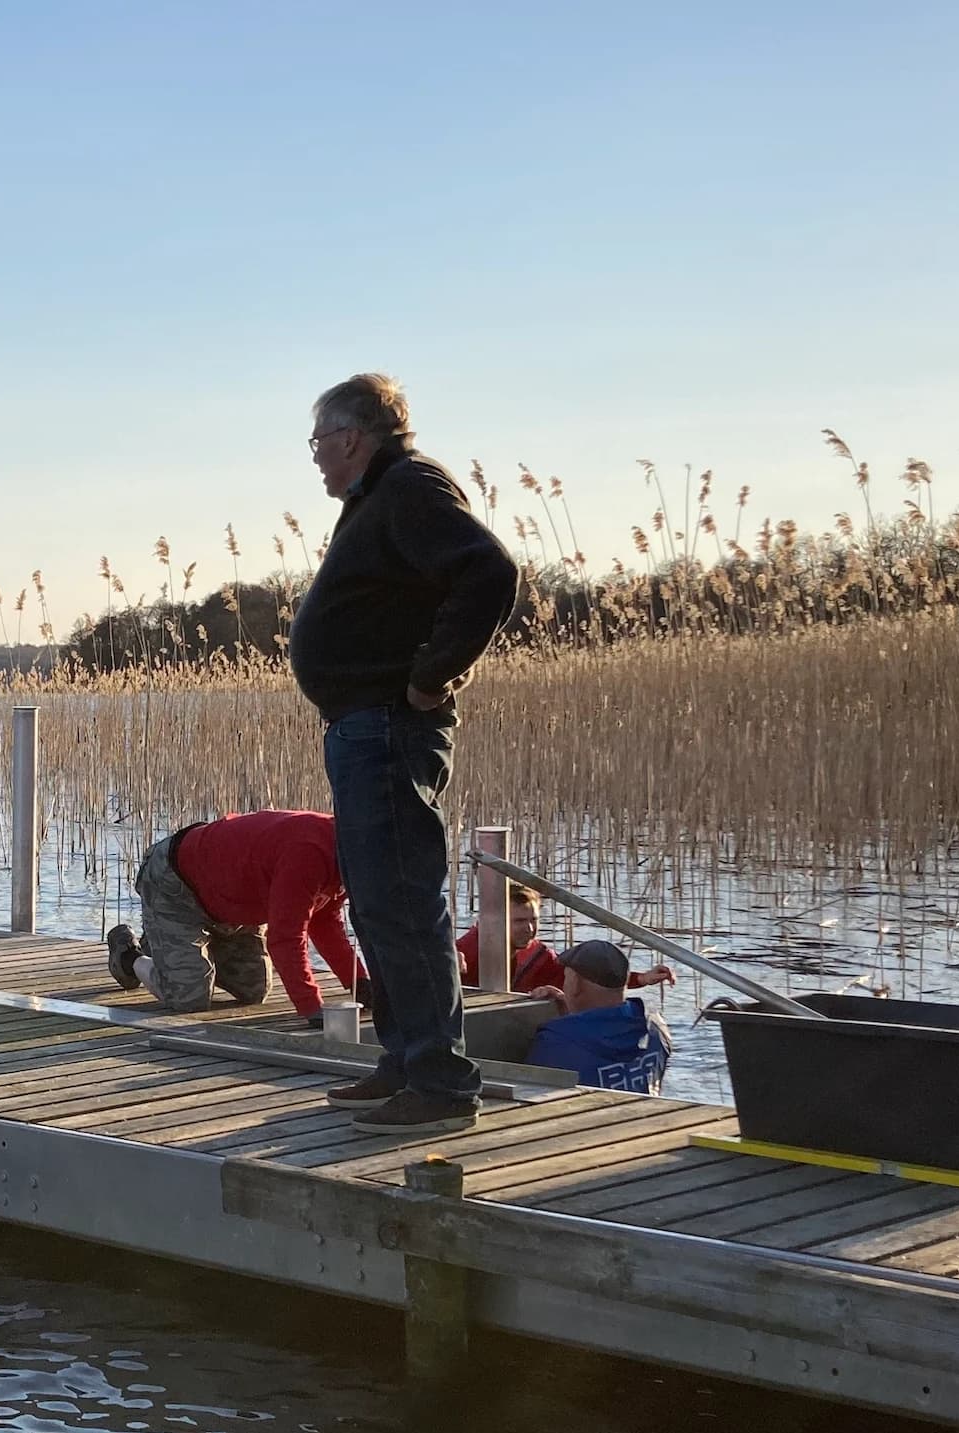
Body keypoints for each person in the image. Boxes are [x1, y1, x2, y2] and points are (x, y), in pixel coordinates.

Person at [289, 374, 520, 1133]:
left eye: (319, 441)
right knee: (377, 897)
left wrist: (430, 677)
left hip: (389, 725)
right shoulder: (379, 498)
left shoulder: (409, 486)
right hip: (364, 725)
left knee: (402, 898)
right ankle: (403, 1059)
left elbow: (489, 571)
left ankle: (441, 1083)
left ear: (353, 437)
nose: (315, 457)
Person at [105, 809, 366, 1025]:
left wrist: (360, 983)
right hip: (175, 886)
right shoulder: (309, 853)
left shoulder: (346, 855)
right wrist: (311, 1008)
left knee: (254, 990)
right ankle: (130, 956)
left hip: (233, 906)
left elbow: (324, 920)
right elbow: (285, 937)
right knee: (189, 999)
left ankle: (167, 946)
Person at [458, 881, 675, 992]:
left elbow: (588, 978)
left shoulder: (540, 957)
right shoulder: (467, 951)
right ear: (495, 922)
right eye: (519, 922)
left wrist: (642, 979)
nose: (530, 929)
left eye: (533, 920)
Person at [523, 939, 674, 1093]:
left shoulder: (554, 1043)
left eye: (566, 977)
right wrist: (571, 1013)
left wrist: (566, 1023)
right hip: (651, 1114)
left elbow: (527, 1091)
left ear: (575, 984)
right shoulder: (657, 1028)